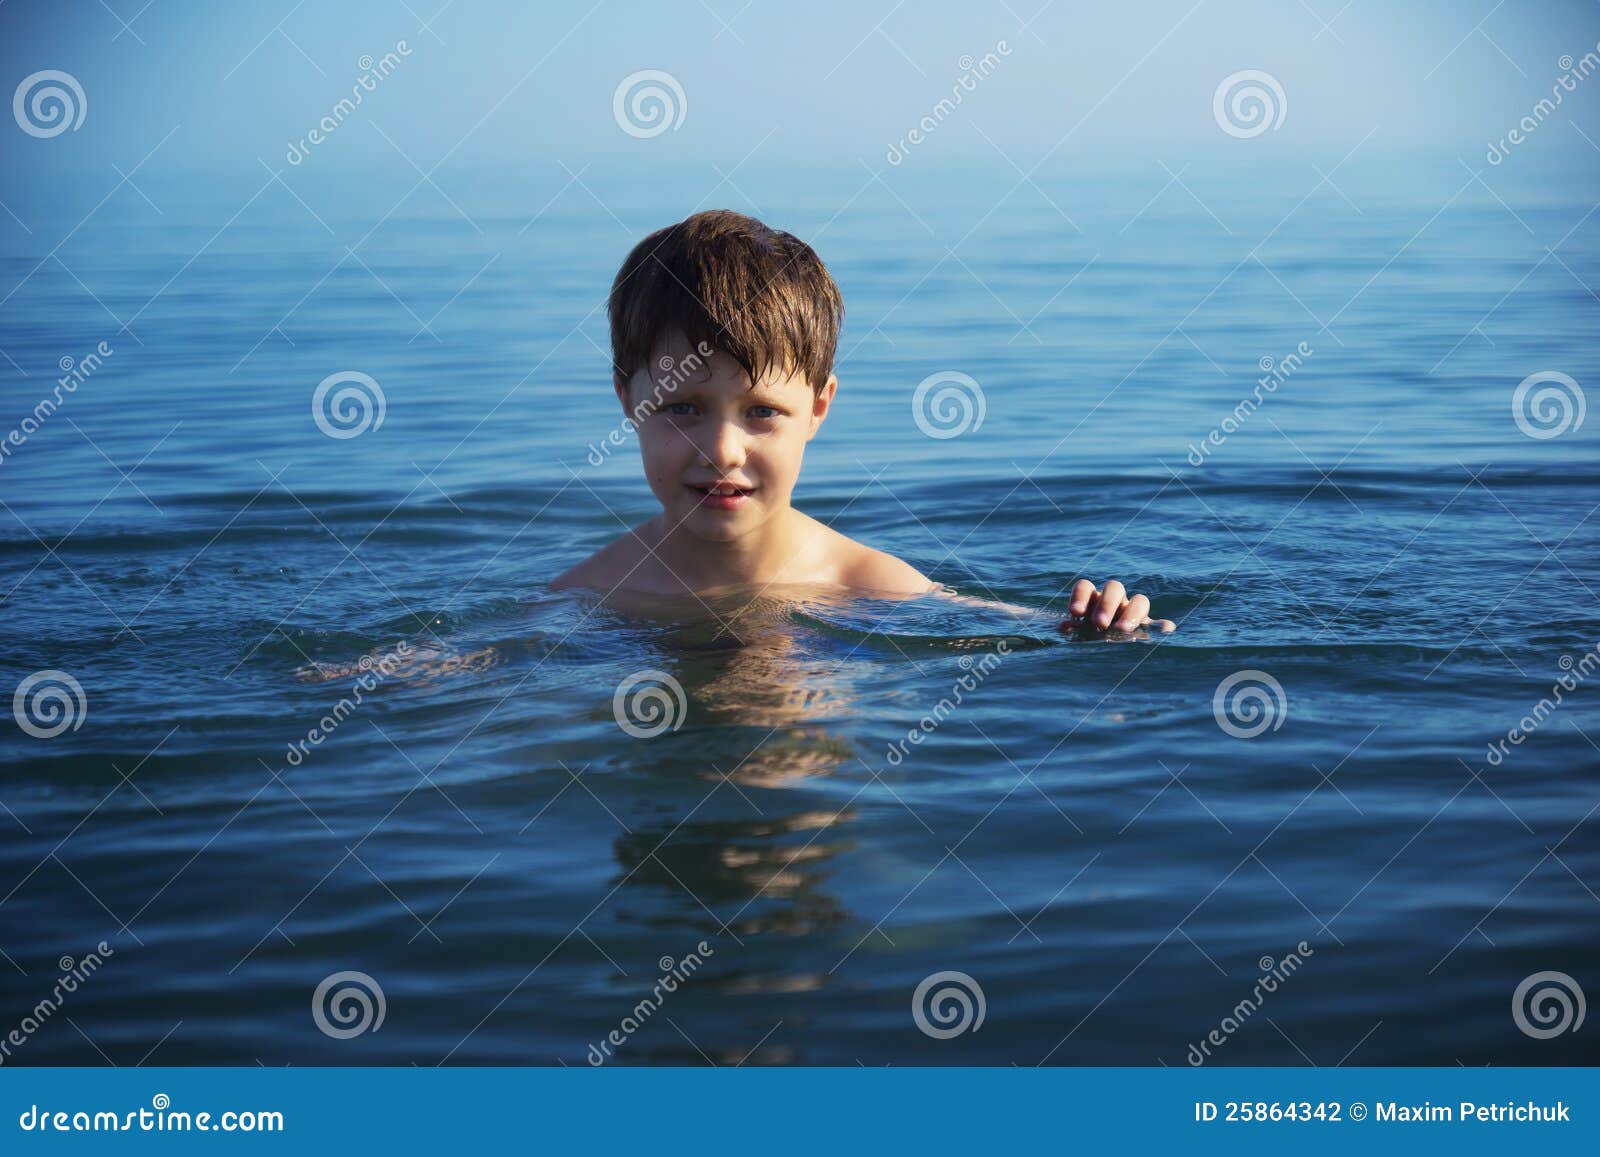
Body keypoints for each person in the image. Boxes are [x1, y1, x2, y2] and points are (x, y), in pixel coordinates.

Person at [553, 209, 1175, 636]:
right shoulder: (586, 597)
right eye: (682, 408)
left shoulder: (869, 586)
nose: (722, 450)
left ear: (818, 408)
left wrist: (1100, 624)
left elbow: (1024, 629)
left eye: (762, 411)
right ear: (629, 400)